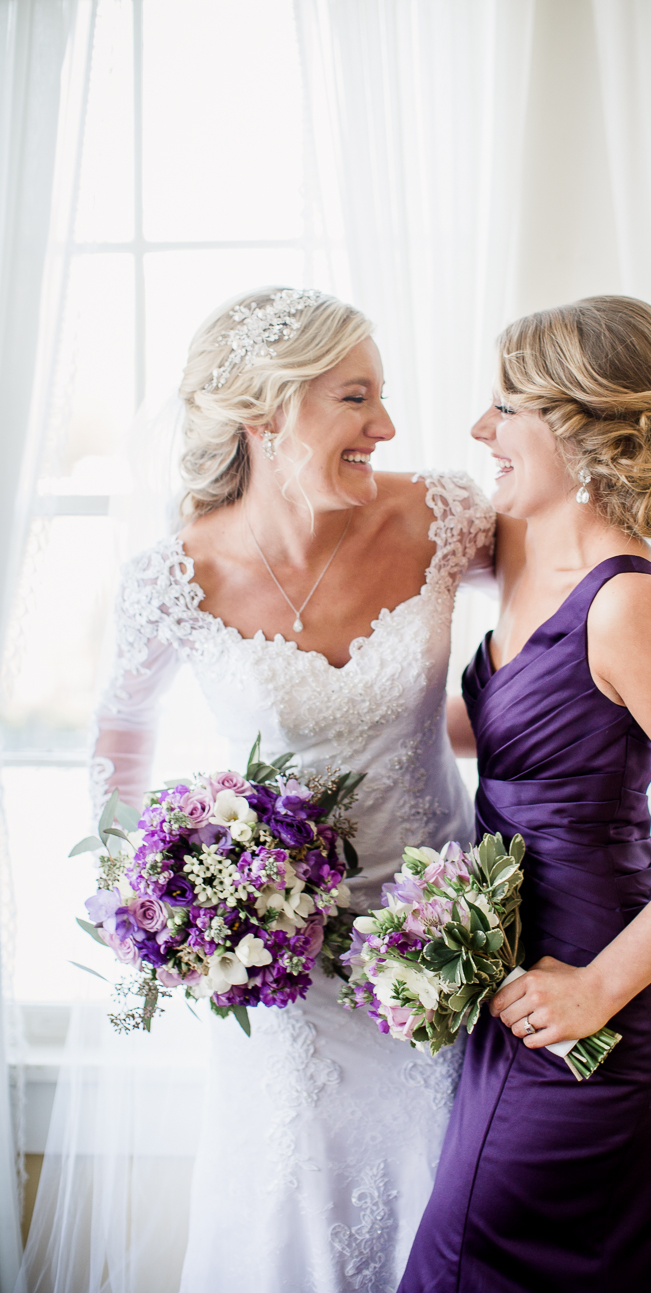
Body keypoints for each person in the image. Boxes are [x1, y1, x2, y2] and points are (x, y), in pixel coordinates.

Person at [89, 288, 494, 1293]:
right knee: (293, 1214)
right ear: (269, 414)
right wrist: (163, 898)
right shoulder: (170, 578)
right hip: (281, 974)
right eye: (356, 398)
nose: (387, 426)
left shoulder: (443, 516)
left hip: (439, 951)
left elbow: (561, 639)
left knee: (443, 1204)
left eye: (383, 398)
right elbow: (117, 743)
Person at [400, 296, 651, 1293]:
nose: (481, 431)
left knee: (471, 1257)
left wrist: (599, 987)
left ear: (577, 425)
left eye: (502, 408)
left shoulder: (631, 606)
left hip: (607, 996)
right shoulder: (522, 551)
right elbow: (505, 726)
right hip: (518, 985)